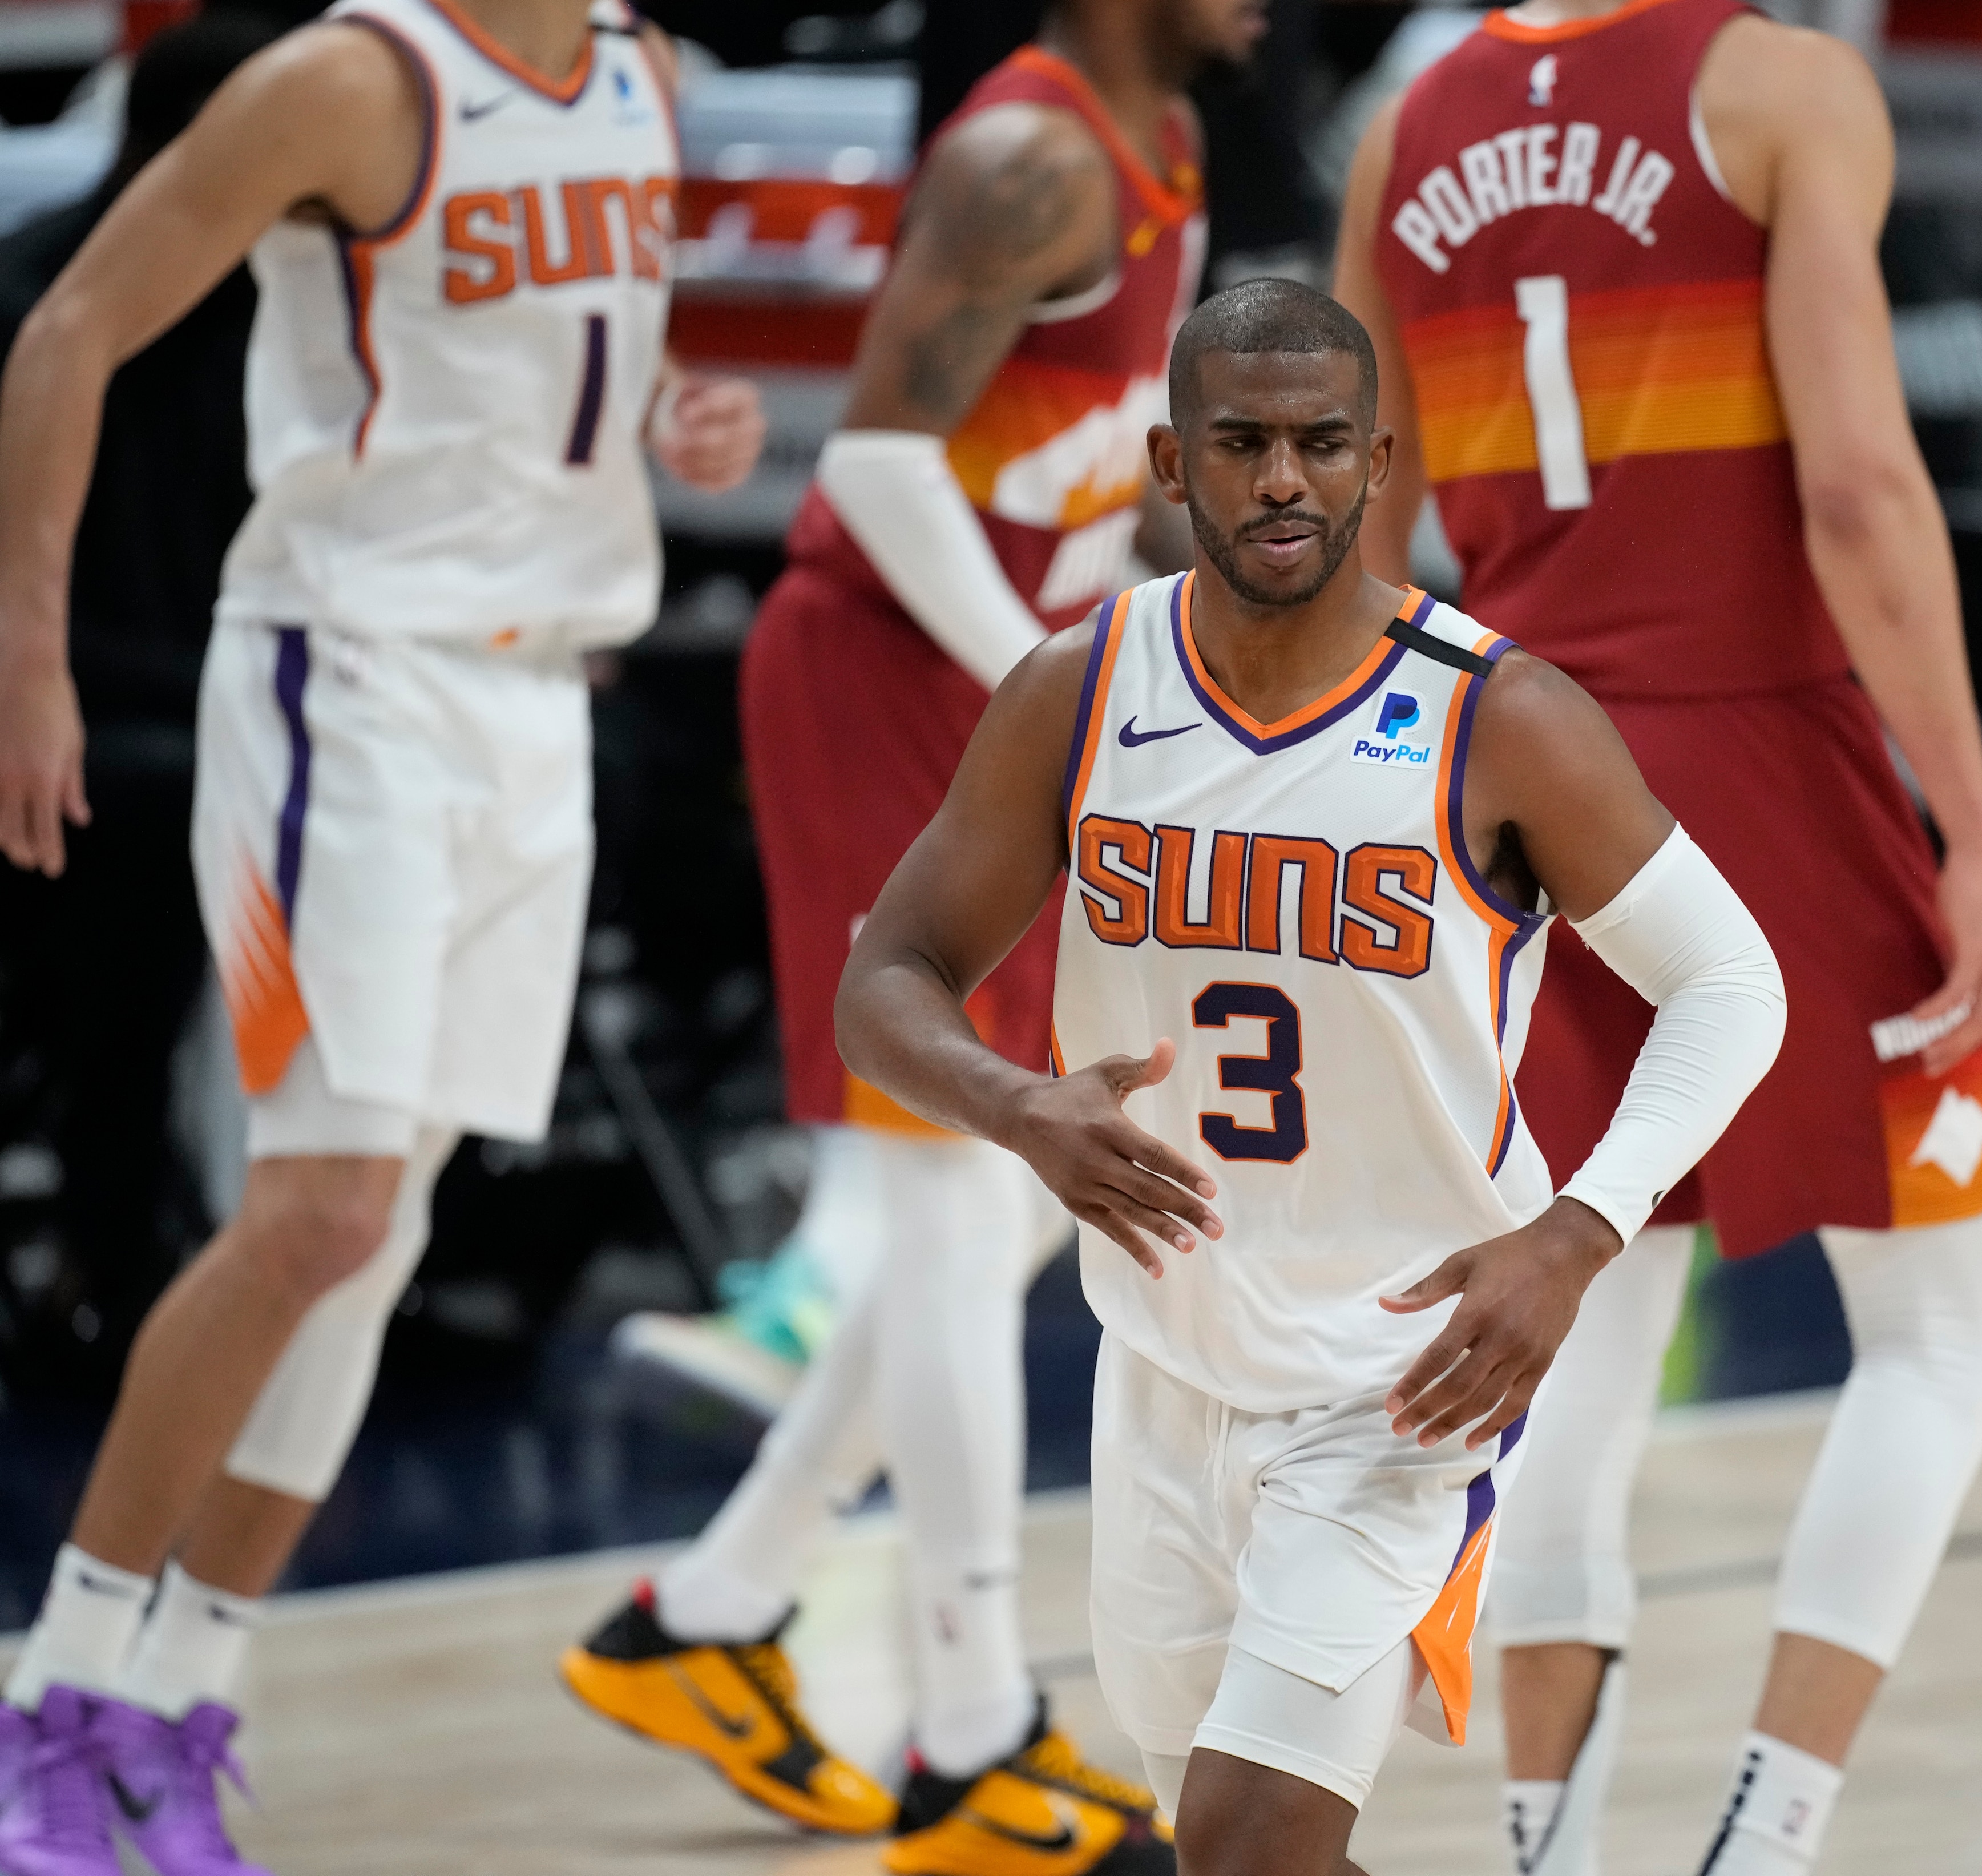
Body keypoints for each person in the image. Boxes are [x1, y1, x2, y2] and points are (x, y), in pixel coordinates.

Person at [836, 276, 1786, 1876]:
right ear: (1169, 462)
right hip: (1162, 1371)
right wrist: (1012, 1107)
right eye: (1245, 442)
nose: (1286, 479)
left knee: (1247, 1839)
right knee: (1245, 1853)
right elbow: (889, 974)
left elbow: (1732, 980)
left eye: (1323, 444)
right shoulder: (1080, 692)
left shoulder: (1502, 719)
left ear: (1378, 461)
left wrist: (1578, 1231)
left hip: (1400, 1382)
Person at [0, 0, 763, 1865]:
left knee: (385, 1226)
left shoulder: (643, 78)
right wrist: (22, 647)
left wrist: (682, 419)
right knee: (318, 1207)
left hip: (537, 704)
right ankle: (51, 1708)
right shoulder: (353, 80)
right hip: (342, 685)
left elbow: (579, 380)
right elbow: (70, 328)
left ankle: (180, 1711)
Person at [1330, 3, 1982, 1870]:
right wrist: (1968, 819)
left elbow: (1357, 535)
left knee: (1583, 1329)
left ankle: (1549, 1850)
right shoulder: (1786, 88)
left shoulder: (1404, 136)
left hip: (1520, 759)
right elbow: (1863, 489)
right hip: (1765, 751)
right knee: (1953, 1332)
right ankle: (1768, 1832)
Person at [558, 3, 1260, 1867]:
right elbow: (875, 464)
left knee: (1032, 1189)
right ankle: (970, 1736)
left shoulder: (1167, 146)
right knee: (966, 1192)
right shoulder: (1025, 159)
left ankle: (712, 1608)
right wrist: (1072, 690)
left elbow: (1069, 482)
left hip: (1006, 675)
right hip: (889, 671)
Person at [0, 6, 281, 1400]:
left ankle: (164, 1263)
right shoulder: (52, 312)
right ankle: (141, 1264)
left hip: (204, 721)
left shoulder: (285, 314)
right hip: (111, 726)